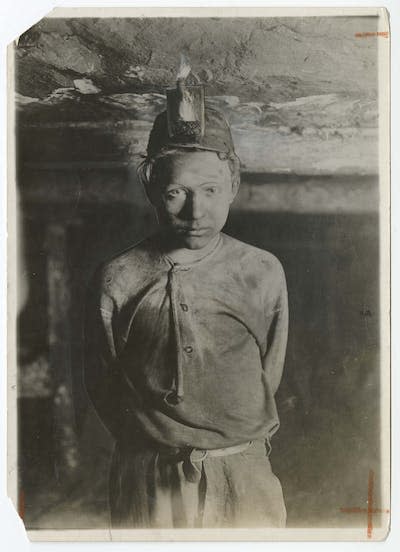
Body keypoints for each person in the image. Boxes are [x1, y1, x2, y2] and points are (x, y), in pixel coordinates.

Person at [84, 92, 289, 529]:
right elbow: (102, 382)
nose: (197, 211)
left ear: (234, 183)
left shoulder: (261, 271)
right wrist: (155, 447)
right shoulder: (118, 277)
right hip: (149, 479)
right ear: (150, 186)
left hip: (242, 475)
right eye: (177, 192)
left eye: (211, 190)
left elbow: (269, 373)